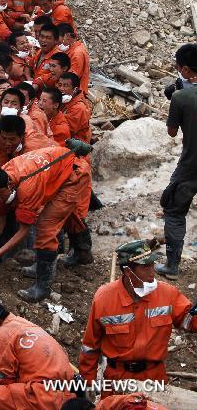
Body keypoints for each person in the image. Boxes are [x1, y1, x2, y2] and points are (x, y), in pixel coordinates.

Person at [79, 239, 197, 399]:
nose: (152, 271)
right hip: (117, 381)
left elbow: (189, 321)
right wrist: (88, 385)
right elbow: (90, 347)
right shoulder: (104, 299)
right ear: (128, 271)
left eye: (153, 264)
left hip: (154, 378)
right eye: (145, 267)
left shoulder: (168, 294)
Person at [0, 145, 91, 301]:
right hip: (57, 170)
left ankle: (43, 286)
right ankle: (83, 252)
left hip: (73, 174)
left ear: (9, 185)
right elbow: (0, 216)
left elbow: (24, 229)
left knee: (46, 225)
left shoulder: (26, 187)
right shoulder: (2, 177)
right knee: (64, 213)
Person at [0, 297, 76, 409]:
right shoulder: (25, 324)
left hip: (42, 398)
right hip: (68, 396)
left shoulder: (1, 335)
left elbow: (2, 381)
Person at [156, 43, 197, 280]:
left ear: (184, 69)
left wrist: (176, 100)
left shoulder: (181, 96)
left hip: (190, 166)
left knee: (173, 211)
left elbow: (172, 131)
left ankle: (172, 265)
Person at [58, 72, 91, 143]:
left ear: (75, 89)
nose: (61, 89)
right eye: (60, 85)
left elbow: (65, 131)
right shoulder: (65, 99)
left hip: (74, 146)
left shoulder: (79, 108)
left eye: (66, 86)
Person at [26, 23, 60, 90]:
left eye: (48, 38)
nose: (43, 40)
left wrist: (37, 83)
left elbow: (55, 77)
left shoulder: (58, 57)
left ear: (56, 41)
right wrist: (28, 77)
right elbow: (28, 65)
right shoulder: (39, 52)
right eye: (42, 36)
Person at [60, 23, 90, 95]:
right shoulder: (74, 48)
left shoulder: (77, 54)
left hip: (74, 94)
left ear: (66, 36)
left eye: (59, 38)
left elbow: (71, 79)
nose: (59, 42)